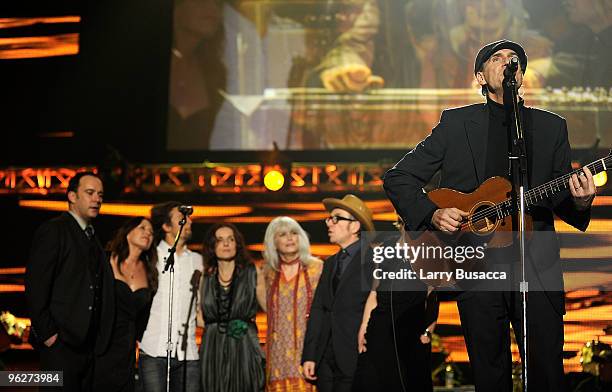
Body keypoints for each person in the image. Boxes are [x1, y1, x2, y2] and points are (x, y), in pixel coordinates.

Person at [383, 39, 596, 391]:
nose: (507, 63)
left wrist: (583, 201)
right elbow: (398, 177)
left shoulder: (550, 128)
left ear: (522, 75)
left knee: (546, 373)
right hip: (477, 268)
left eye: (515, 60)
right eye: (496, 59)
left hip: (536, 268)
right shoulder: (455, 124)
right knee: (489, 373)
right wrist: (433, 213)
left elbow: (560, 199)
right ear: (480, 77)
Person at [26, 171, 114, 391]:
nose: (97, 199)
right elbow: (36, 285)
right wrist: (48, 335)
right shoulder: (54, 230)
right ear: (72, 196)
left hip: (87, 347)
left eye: (100, 194)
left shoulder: (92, 236)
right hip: (60, 345)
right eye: (90, 193)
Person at [353, 216, 438, 392]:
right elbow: (374, 292)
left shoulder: (427, 253)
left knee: (408, 381)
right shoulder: (384, 249)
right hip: (380, 327)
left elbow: (432, 298)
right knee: (374, 379)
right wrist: (363, 325)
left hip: (410, 329)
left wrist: (427, 331)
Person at [301, 194, 374, 392]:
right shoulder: (330, 263)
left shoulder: (374, 260)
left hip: (355, 354)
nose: (329, 223)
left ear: (355, 226)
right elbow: (319, 309)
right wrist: (310, 354)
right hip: (326, 357)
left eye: (336, 218)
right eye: (328, 218)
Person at [139, 202, 202, 392]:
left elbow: (199, 306)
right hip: (153, 349)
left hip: (188, 353)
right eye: (182, 218)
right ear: (166, 226)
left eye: (189, 217)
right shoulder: (151, 257)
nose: (189, 221)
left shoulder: (197, 260)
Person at [199, 223, 266, 392]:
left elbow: (270, 308)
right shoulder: (205, 276)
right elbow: (199, 316)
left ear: (238, 244)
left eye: (231, 239)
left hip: (244, 345)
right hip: (213, 347)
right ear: (212, 246)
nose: (226, 244)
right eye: (220, 240)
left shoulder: (252, 272)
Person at [94, 217, 158, 392]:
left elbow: (145, 315)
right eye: (143, 228)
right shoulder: (106, 260)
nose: (148, 233)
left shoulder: (150, 271)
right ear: (128, 233)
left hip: (127, 348)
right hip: (100, 343)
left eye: (151, 232)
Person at [262, 217, 324, 392]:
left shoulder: (316, 268)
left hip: (308, 351)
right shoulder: (267, 272)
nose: (289, 238)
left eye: (294, 233)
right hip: (277, 355)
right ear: (273, 242)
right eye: (283, 234)